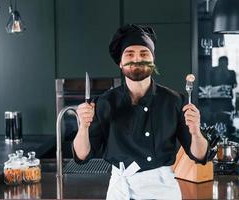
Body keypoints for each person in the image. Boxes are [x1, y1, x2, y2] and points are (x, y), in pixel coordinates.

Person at [72, 24, 209, 200]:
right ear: (121, 63)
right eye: (130, 54)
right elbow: (82, 156)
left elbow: (199, 155)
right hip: (121, 190)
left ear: (153, 61)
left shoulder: (175, 101)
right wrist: (83, 127)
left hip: (163, 190)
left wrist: (196, 131)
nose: (137, 59)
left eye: (144, 53)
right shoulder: (104, 102)